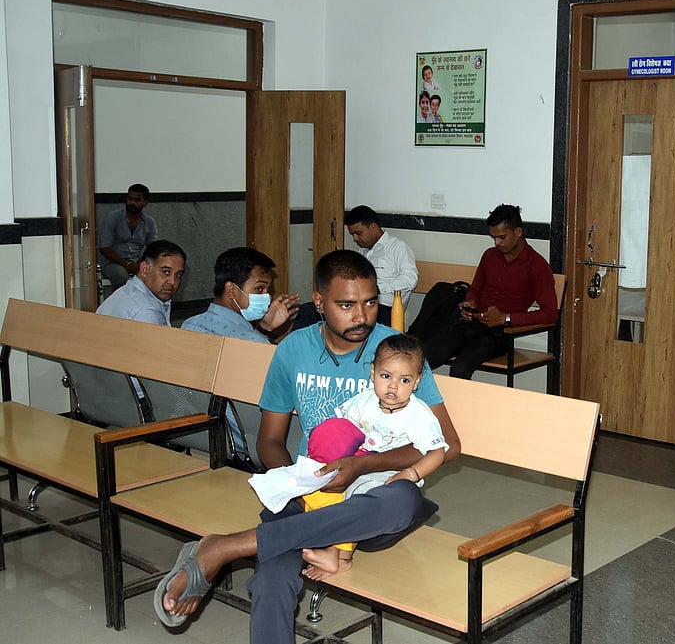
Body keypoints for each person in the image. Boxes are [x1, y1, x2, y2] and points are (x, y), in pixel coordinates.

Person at [155, 250, 461, 641]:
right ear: (319, 303)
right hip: (312, 491)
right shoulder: (292, 350)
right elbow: (269, 440)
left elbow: (448, 445)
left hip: (371, 505)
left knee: (400, 501)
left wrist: (363, 466)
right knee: (272, 577)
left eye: (370, 302)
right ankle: (265, 542)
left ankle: (225, 547)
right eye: (346, 304)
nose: (362, 316)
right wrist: (297, 483)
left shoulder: (399, 354)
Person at [297, 333, 447, 581]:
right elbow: (343, 426)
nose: (393, 386)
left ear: (417, 382)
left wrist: (411, 473)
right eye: (386, 376)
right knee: (318, 488)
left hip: (389, 475)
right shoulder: (364, 401)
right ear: (373, 372)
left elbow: (438, 452)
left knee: (357, 498)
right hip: (359, 462)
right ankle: (323, 536)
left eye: (404, 380)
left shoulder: (418, 415)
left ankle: (341, 557)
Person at [423, 204, 557, 380]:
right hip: (470, 324)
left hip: (499, 334)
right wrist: (470, 302)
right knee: (421, 359)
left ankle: (460, 407)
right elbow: (475, 289)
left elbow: (550, 314)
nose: (497, 243)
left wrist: (506, 318)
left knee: (460, 369)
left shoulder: (537, 265)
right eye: (493, 237)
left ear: (518, 232)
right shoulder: (489, 256)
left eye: (502, 237)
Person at [182, 247, 300, 343]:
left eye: (267, 290)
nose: (268, 298)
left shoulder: (189, 325)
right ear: (231, 289)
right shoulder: (253, 341)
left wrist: (265, 329)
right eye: (259, 288)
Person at [345, 205, 418, 327]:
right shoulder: (362, 252)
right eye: (353, 235)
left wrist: (377, 289)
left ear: (373, 227)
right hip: (361, 304)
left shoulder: (397, 247)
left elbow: (411, 279)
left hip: (386, 308)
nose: (355, 239)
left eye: (358, 233)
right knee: (313, 310)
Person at [96, 239, 186, 326]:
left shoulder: (125, 292)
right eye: (166, 272)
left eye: (178, 275)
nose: (172, 282)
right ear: (145, 269)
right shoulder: (146, 312)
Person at [97, 183, 158, 294]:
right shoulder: (112, 218)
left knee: (156, 275)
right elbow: (104, 247)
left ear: (145, 203)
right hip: (112, 263)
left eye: (137, 200)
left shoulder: (150, 222)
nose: (132, 203)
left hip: (136, 262)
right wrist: (127, 265)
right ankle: (118, 309)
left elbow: (153, 248)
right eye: (130, 199)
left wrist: (141, 264)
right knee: (121, 276)